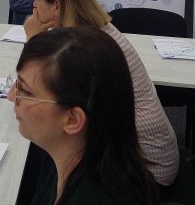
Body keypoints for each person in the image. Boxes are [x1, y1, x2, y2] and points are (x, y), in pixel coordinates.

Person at [24, 0, 179, 187]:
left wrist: (32, 39)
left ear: (56, 6)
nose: (34, 4)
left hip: (145, 170)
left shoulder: (85, 47)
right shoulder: (93, 30)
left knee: (44, 143)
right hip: (135, 150)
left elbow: (34, 92)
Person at [9, 26, 160, 205]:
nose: (11, 96)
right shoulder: (61, 157)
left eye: (25, 91)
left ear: (73, 120)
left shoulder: (98, 196)